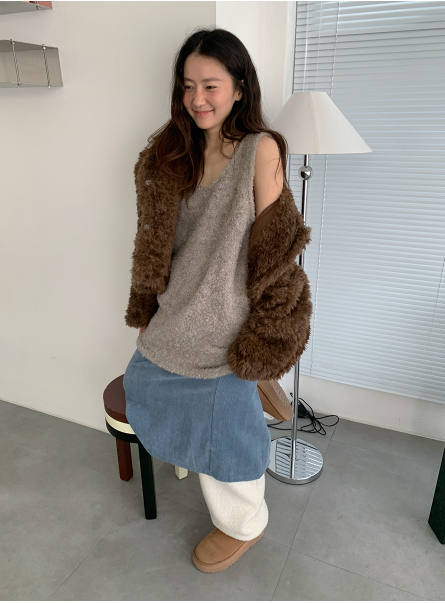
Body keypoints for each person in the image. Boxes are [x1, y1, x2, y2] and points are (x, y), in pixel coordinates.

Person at [123, 27, 293, 574]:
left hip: (229, 318)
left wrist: (264, 337)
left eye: (211, 85)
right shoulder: (171, 153)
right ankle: (226, 426)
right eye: (188, 85)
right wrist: (148, 307)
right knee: (142, 383)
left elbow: (275, 253)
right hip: (178, 310)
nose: (198, 98)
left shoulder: (261, 150)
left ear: (239, 89)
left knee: (227, 430)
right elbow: (153, 244)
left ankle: (244, 521)